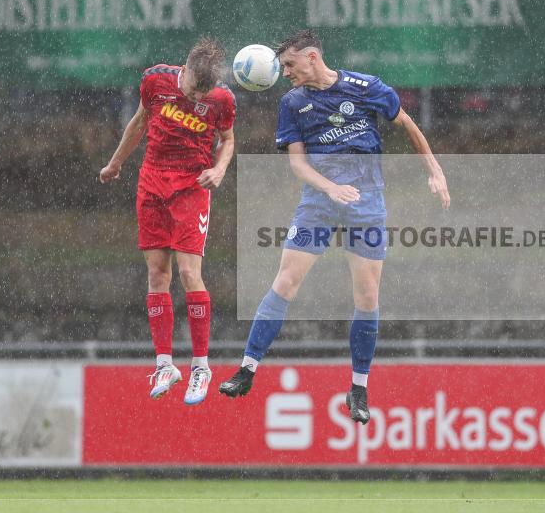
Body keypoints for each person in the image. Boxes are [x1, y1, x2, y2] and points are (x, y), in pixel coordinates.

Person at [218, 29, 450, 424]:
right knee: (286, 281)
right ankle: (247, 369)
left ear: (312, 57)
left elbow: (406, 122)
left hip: (367, 201)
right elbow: (297, 164)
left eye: (289, 65)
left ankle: (358, 389)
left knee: (366, 294)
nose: (284, 73)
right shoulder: (292, 103)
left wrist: (435, 172)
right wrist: (330, 187)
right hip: (318, 203)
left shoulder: (365, 87)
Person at [99, 37, 236, 406]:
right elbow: (139, 121)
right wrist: (116, 162)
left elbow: (227, 139)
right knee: (158, 274)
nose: (196, 99)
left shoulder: (221, 100)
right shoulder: (155, 80)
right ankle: (164, 364)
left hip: (192, 187)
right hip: (153, 181)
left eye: (202, 94)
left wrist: (219, 168)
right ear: (185, 69)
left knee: (191, 274)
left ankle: (201, 367)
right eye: (193, 89)